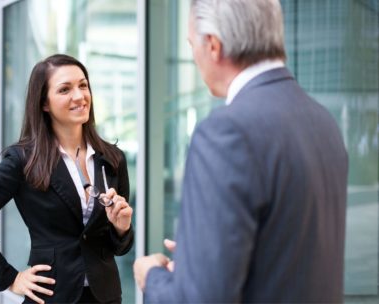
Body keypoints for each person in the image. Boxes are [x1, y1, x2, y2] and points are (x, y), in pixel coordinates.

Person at [133, 0, 348, 303]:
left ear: (213, 46)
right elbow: (289, 249)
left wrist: (151, 277)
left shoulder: (226, 132)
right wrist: (204, 258)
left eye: (191, 44)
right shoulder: (322, 121)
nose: (193, 56)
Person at [0, 54, 134, 304]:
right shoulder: (22, 160)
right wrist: (10, 278)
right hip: (51, 295)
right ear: (44, 103)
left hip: (106, 296)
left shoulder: (112, 159)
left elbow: (118, 248)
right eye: (65, 89)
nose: (79, 96)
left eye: (83, 85)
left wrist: (121, 228)